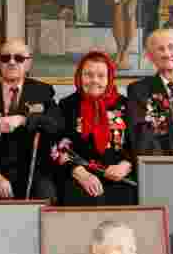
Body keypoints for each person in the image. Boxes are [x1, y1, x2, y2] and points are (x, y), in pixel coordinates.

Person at [0, 38, 61, 201]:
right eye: (5, 58)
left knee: (47, 196)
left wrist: (24, 120)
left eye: (19, 58)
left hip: (32, 173)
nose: (11, 62)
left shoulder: (43, 91)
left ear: (28, 63)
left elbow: (55, 125)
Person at [55, 51, 137, 206]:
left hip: (119, 176)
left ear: (109, 78)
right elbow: (57, 145)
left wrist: (125, 166)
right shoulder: (67, 105)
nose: (94, 80)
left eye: (101, 76)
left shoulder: (126, 105)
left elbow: (137, 142)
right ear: (80, 76)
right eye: (88, 75)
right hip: (78, 177)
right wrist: (79, 173)